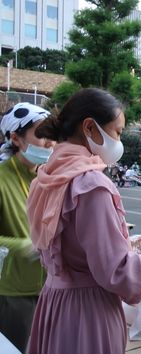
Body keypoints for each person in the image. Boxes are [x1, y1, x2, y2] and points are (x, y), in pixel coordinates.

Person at [25, 88, 141, 354]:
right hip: (89, 312)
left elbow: (65, 248)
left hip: (54, 305)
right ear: (90, 128)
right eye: (118, 131)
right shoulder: (91, 184)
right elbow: (117, 272)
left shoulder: (45, 177)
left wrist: (124, 243)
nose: (119, 140)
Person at [0, 102, 55, 352]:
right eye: (42, 135)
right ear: (15, 138)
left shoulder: (46, 178)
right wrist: (23, 246)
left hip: (50, 286)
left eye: (53, 136)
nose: (50, 143)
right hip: (14, 291)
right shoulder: (2, 178)